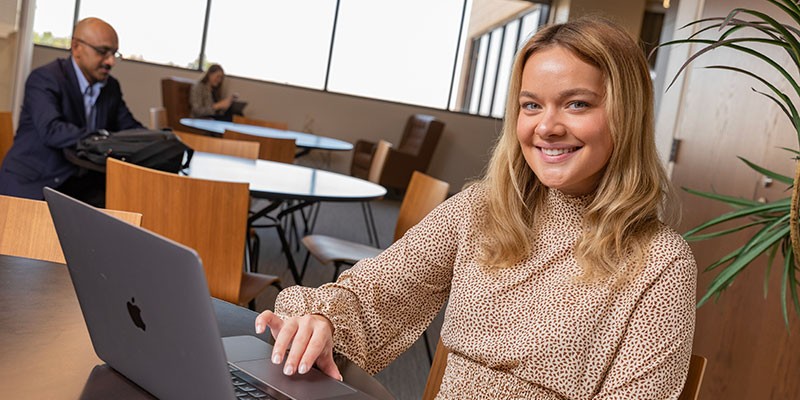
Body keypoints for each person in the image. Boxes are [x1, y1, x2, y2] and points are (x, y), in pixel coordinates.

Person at [256, 16, 697, 399]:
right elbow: (376, 294)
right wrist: (320, 320)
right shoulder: (482, 209)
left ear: (627, 113)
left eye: (576, 103)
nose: (546, 126)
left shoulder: (660, 263)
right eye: (531, 105)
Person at [0, 17, 143, 205]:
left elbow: (129, 128)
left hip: (78, 184)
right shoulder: (45, 79)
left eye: (114, 54)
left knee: (130, 205)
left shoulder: (110, 87)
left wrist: (155, 141)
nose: (110, 61)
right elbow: (53, 130)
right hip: (34, 183)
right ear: (76, 48)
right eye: (102, 52)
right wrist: (104, 140)